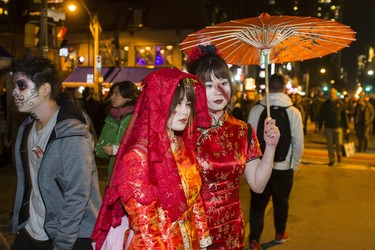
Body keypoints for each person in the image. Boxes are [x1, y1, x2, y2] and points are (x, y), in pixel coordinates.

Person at [91, 68, 213, 249]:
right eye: (177, 104)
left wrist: (203, 241)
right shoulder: (137, 158)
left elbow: (195, 202)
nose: (184, 111)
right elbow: (145, 227)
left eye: (188, 104)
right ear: (158, 104)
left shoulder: (181, 147)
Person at [186, 44, 280, 249]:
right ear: (196, 89)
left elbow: (257, 185)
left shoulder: (243, 130)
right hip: (195, 230)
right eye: (209, 85)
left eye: (223, 82)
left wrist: (270, 147)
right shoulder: (185, 129)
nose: (218, 90)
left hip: (231, 230)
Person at [10, 54, 102, 250]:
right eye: (14, 86)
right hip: (31, 230)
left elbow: (77, 194)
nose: (14, 92)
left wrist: (62, 243)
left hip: (68, 236)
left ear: (44, 89)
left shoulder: (72, 134)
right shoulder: (25, 128)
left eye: (21, 86)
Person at [247, 73, 304, 250]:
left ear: (268, 87)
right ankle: (280, 233)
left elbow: (249, 139)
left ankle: (254, 240)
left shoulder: (256, 110)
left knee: (257, 204)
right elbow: (298, 142)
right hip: (283, 166)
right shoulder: (293, 111)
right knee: (281, 201)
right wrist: (294, 164)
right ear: (284, 87)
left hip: (259, 167)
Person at [95, 81, 140, 179]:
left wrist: (117, 149)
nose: (111, 97)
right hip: (113, 176)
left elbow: (142, 147)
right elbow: (100, 151)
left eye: (116, 94)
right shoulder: (110, 119)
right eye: (112, 93)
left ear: (128, 97)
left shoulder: (138, 118)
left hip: (133, 178)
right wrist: (101, 149)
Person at [318, 87, 350, 166]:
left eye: (333, 93)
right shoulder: (325, 104)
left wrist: (347, 127)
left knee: (338, 143)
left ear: (336, 94)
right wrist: (320, 127)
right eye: (330, 93)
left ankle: (339, 153)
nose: (331, 95)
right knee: (330, 145)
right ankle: (331, 160)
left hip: (338, 127)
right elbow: (321, 116)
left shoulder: (340, 103)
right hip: (328, 127)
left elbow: (344, 116)